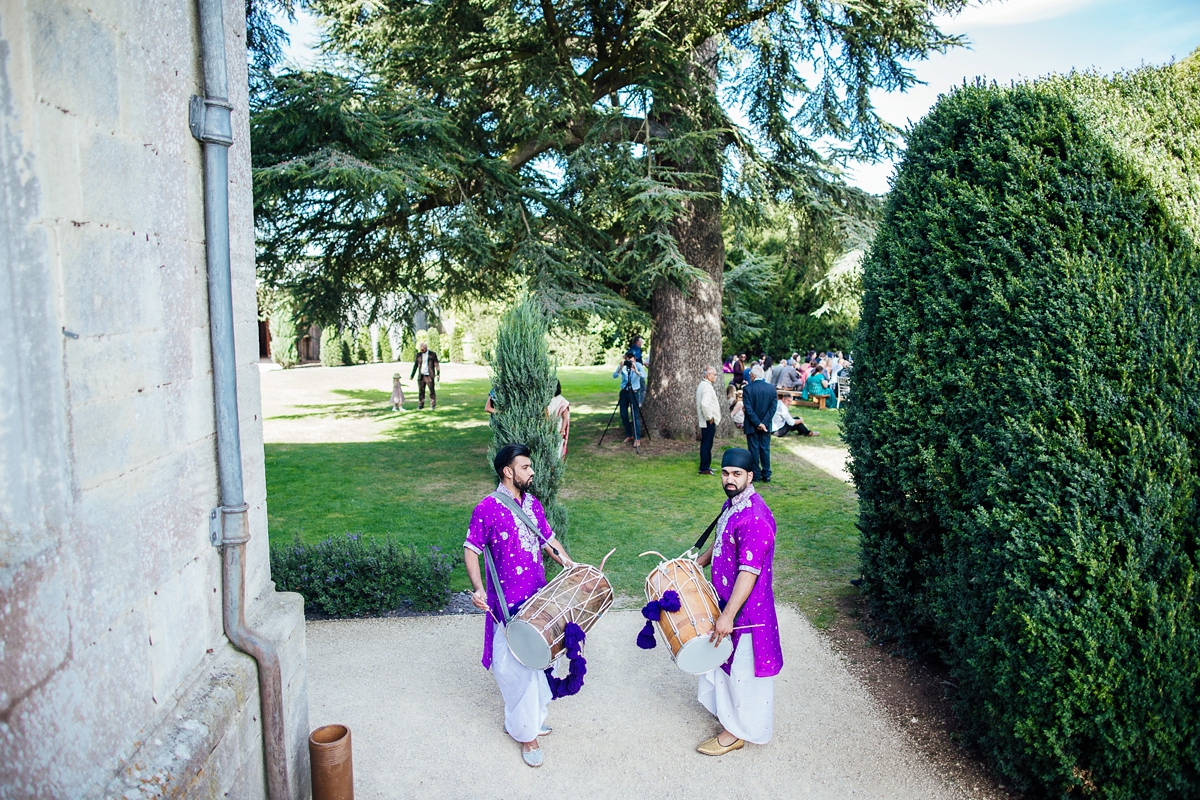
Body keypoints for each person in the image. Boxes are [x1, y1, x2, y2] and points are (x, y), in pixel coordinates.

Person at [464, 444, 574, 768]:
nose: (532, 472)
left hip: (538, 598)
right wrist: (479, 589)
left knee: (539, 661)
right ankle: (527, 735)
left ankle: (528, 720)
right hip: (507, 605)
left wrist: (570, 564)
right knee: (510, 667)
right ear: (507, 471)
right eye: (525, 467)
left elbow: (548, 541)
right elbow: (471, 550)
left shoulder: (533, 504)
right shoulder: (486, 508)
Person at [694, 447, 782, 755]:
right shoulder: (732, 505)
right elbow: (720, 543)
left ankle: (736, 732)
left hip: (747, 612)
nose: (729, 479)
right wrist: (696, 564)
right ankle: (729, 718)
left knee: (743, 672)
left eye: (737, 474)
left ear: (750, 476)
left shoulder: (755, 517)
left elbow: (749, 573)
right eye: (725, 472)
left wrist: (728, 616)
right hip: (726, 602)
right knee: (725, 665)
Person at [741, 365, 777, 483]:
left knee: (753, 449)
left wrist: (757, 423)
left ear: (753, 375)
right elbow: (773, 408)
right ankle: (766, 473)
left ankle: (756, 473)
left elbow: (748, 409)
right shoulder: (771, 388)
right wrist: (764, 423)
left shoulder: (748, 389)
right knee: (765, 448)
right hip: (765, 424)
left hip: (752, 424)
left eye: (750, 375)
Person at [613, 351, 648, 445]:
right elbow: (615, 376)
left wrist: (636, 370)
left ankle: (637, 438)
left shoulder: (638, 365)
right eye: (627, 359)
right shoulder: (623, 365)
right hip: (624, 392)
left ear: (634, 359)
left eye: (630, 360)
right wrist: (620, 368)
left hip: (634, 392)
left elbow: (645, 375)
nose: (629, 362)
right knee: (623, 415)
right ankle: (629, 435)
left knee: (634, 415)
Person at [695, 366, 721, 475]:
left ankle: (706, 466)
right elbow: (704, 404)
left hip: (706, 420)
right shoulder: (706, 387)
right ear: (708, 375)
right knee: (706, 444)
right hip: (708, 421)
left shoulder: (704, 385)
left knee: (707, 443)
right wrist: (710, 418)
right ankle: (704, 467)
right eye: (714, 374)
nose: (716, 376)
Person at [410, 341, 441, 410]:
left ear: (426, 348)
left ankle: (433, 405)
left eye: (423, 349)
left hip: (429, 376)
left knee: (431, 391)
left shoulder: (432, 354)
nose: (421, 350)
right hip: (421, 376)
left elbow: (436, 364)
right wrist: (412, 375)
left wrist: (438, 374)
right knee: (421, 391)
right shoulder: (418, 355)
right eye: (421, 349)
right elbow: (415, 365)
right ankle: (420, 405)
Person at [546, 381, 570, 459]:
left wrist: (562, 430)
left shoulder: (562, 400)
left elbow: (565, 417)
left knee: (557, 448)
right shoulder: (545, 398)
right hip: (545, 426)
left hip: (557, 428)